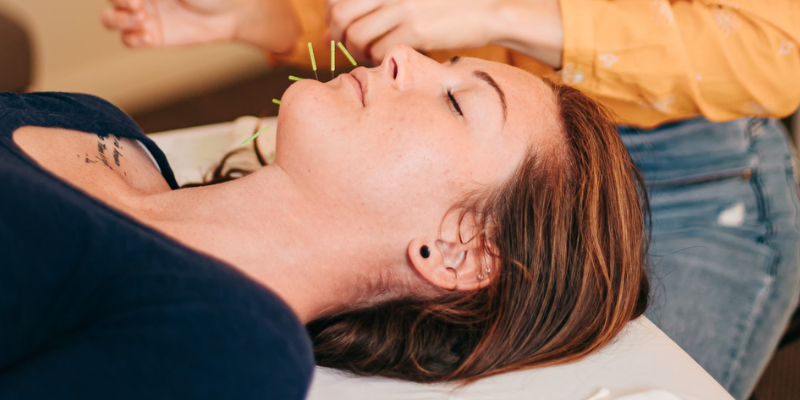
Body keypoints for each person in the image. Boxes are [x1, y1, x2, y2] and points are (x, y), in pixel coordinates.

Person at [101, 0, 800, 398]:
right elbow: (411, 28)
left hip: (694, 183)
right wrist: (262, 18)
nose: (404, 64)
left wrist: (500, 14)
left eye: (460, 95)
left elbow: (783, 46)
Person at [0, 47, 650, 398]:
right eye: (445, 63)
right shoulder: (94, 119)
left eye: (456, 100)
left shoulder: (235, 348)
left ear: (455, 250)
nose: (403, 56)